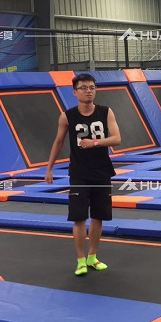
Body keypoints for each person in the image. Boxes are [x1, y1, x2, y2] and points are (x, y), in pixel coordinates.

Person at [45, 74, 121, 276]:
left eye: (92, 88)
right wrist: (49, 168)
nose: (89, 91)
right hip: (79, 173)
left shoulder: (105, 112)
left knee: (98, 216)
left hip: (101, 172)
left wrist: (94, 142)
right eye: (84, 88)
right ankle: (80, 260)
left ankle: (92, 256)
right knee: (78, 217)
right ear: (75, 92)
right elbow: (58, 142)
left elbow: (116, 138)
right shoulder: (67, 116)